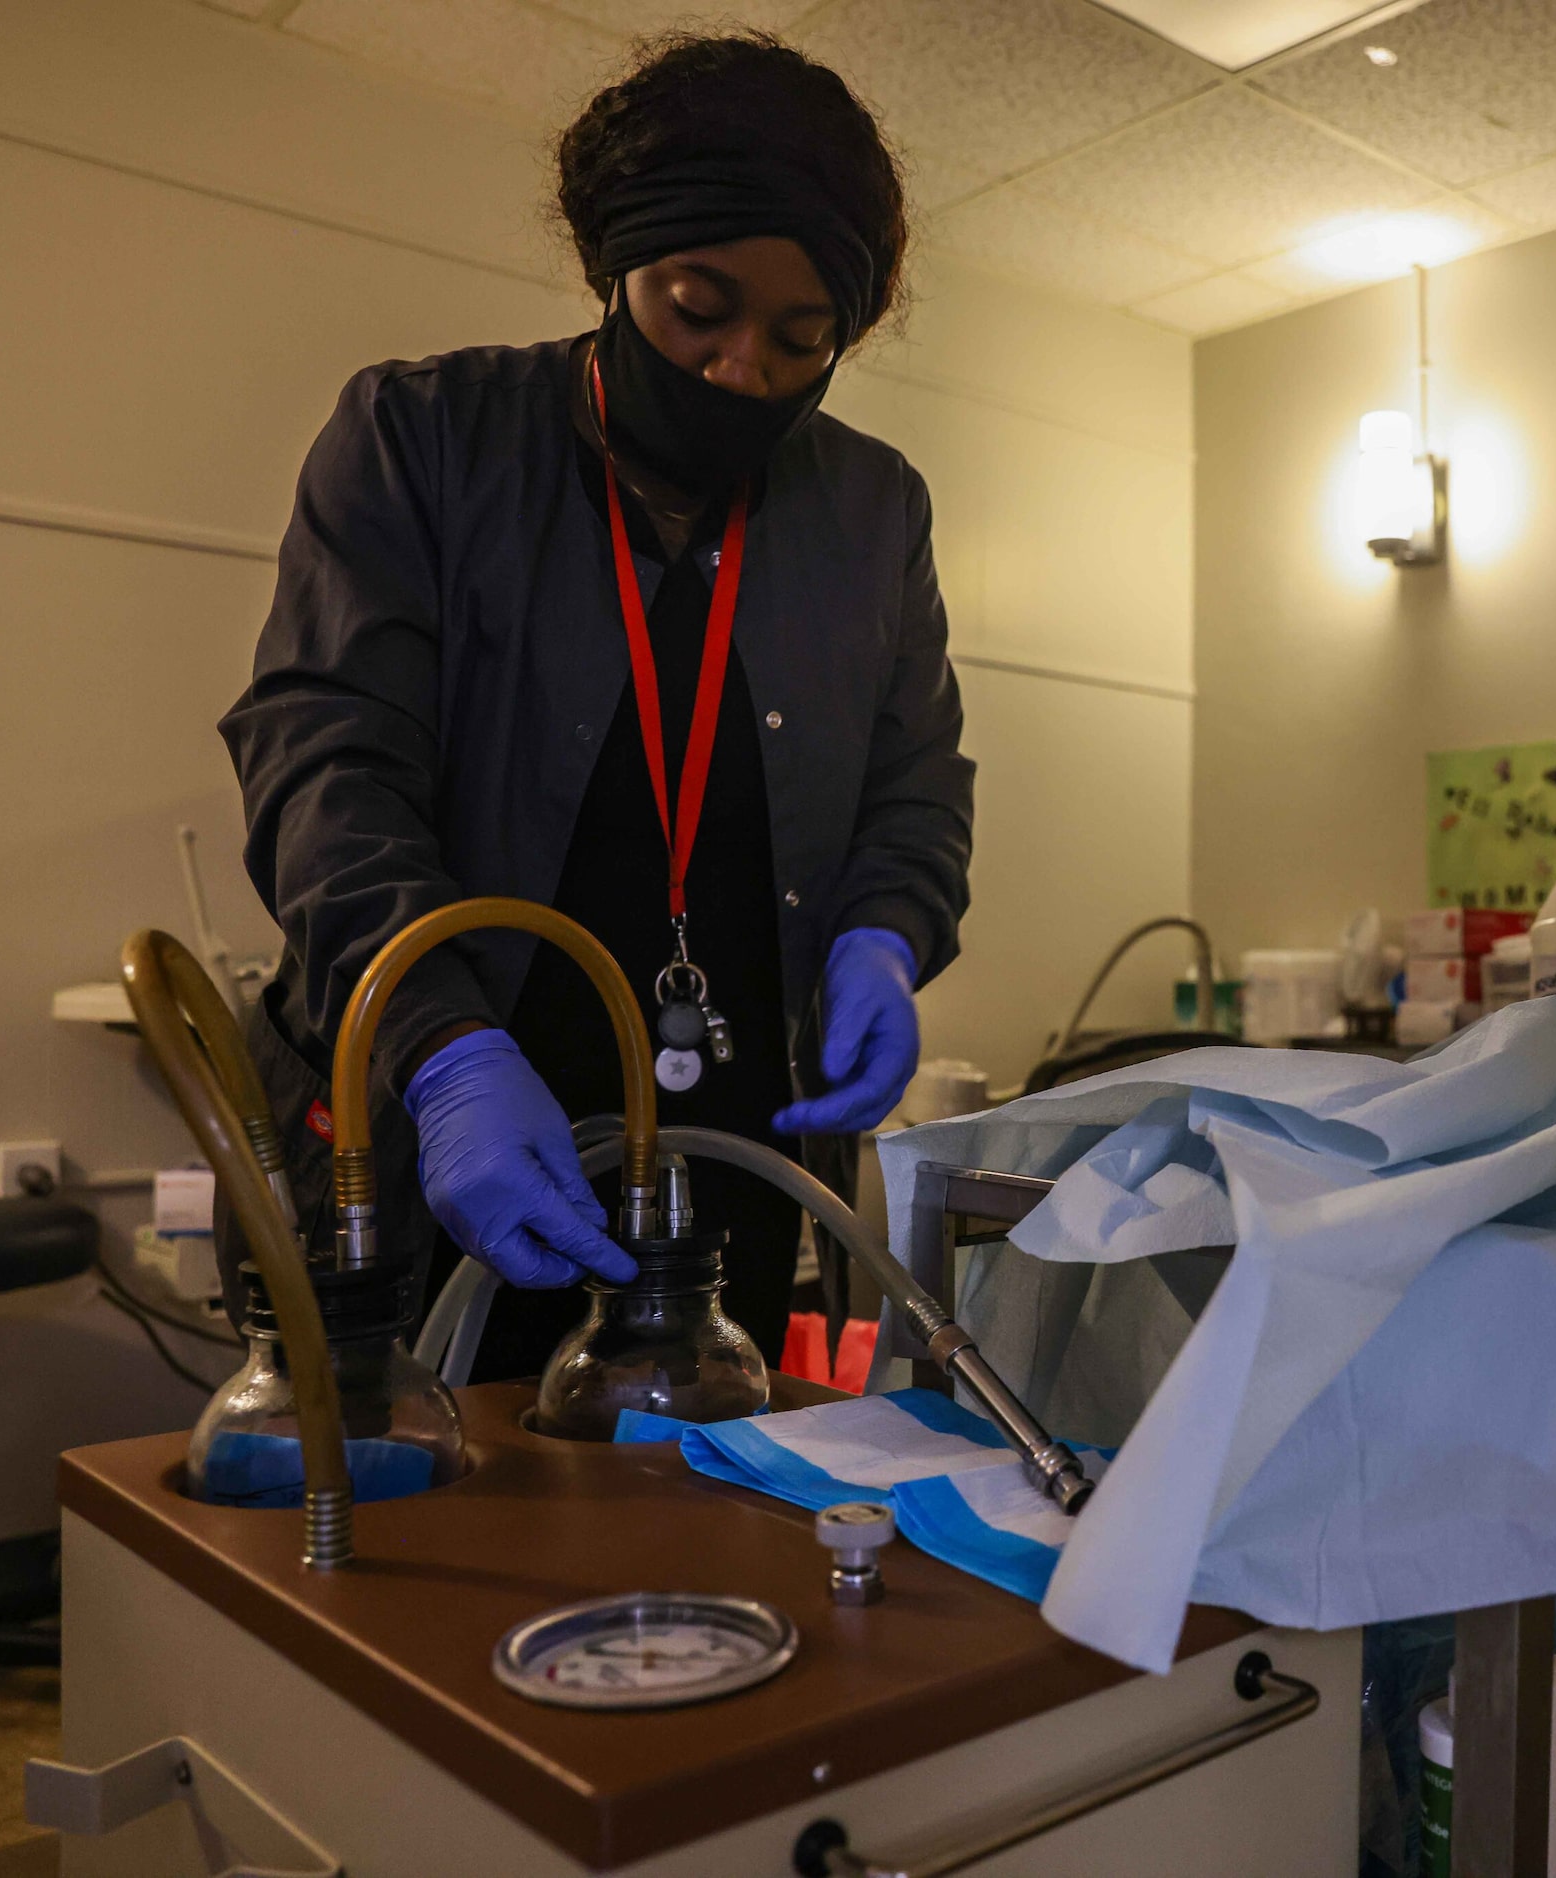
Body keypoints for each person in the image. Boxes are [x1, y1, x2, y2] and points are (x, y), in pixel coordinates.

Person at [221, 32, 969, 1380]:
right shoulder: (422, 441)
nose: (745, 370)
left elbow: (915, 787)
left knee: (696, 1529)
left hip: (725, 1161)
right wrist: (443, 1048)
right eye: (700, 308)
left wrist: (885, 936)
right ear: (615, 266)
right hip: (432, 1133)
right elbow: (323, 769)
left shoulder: (872, 509)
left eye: (803, 342)